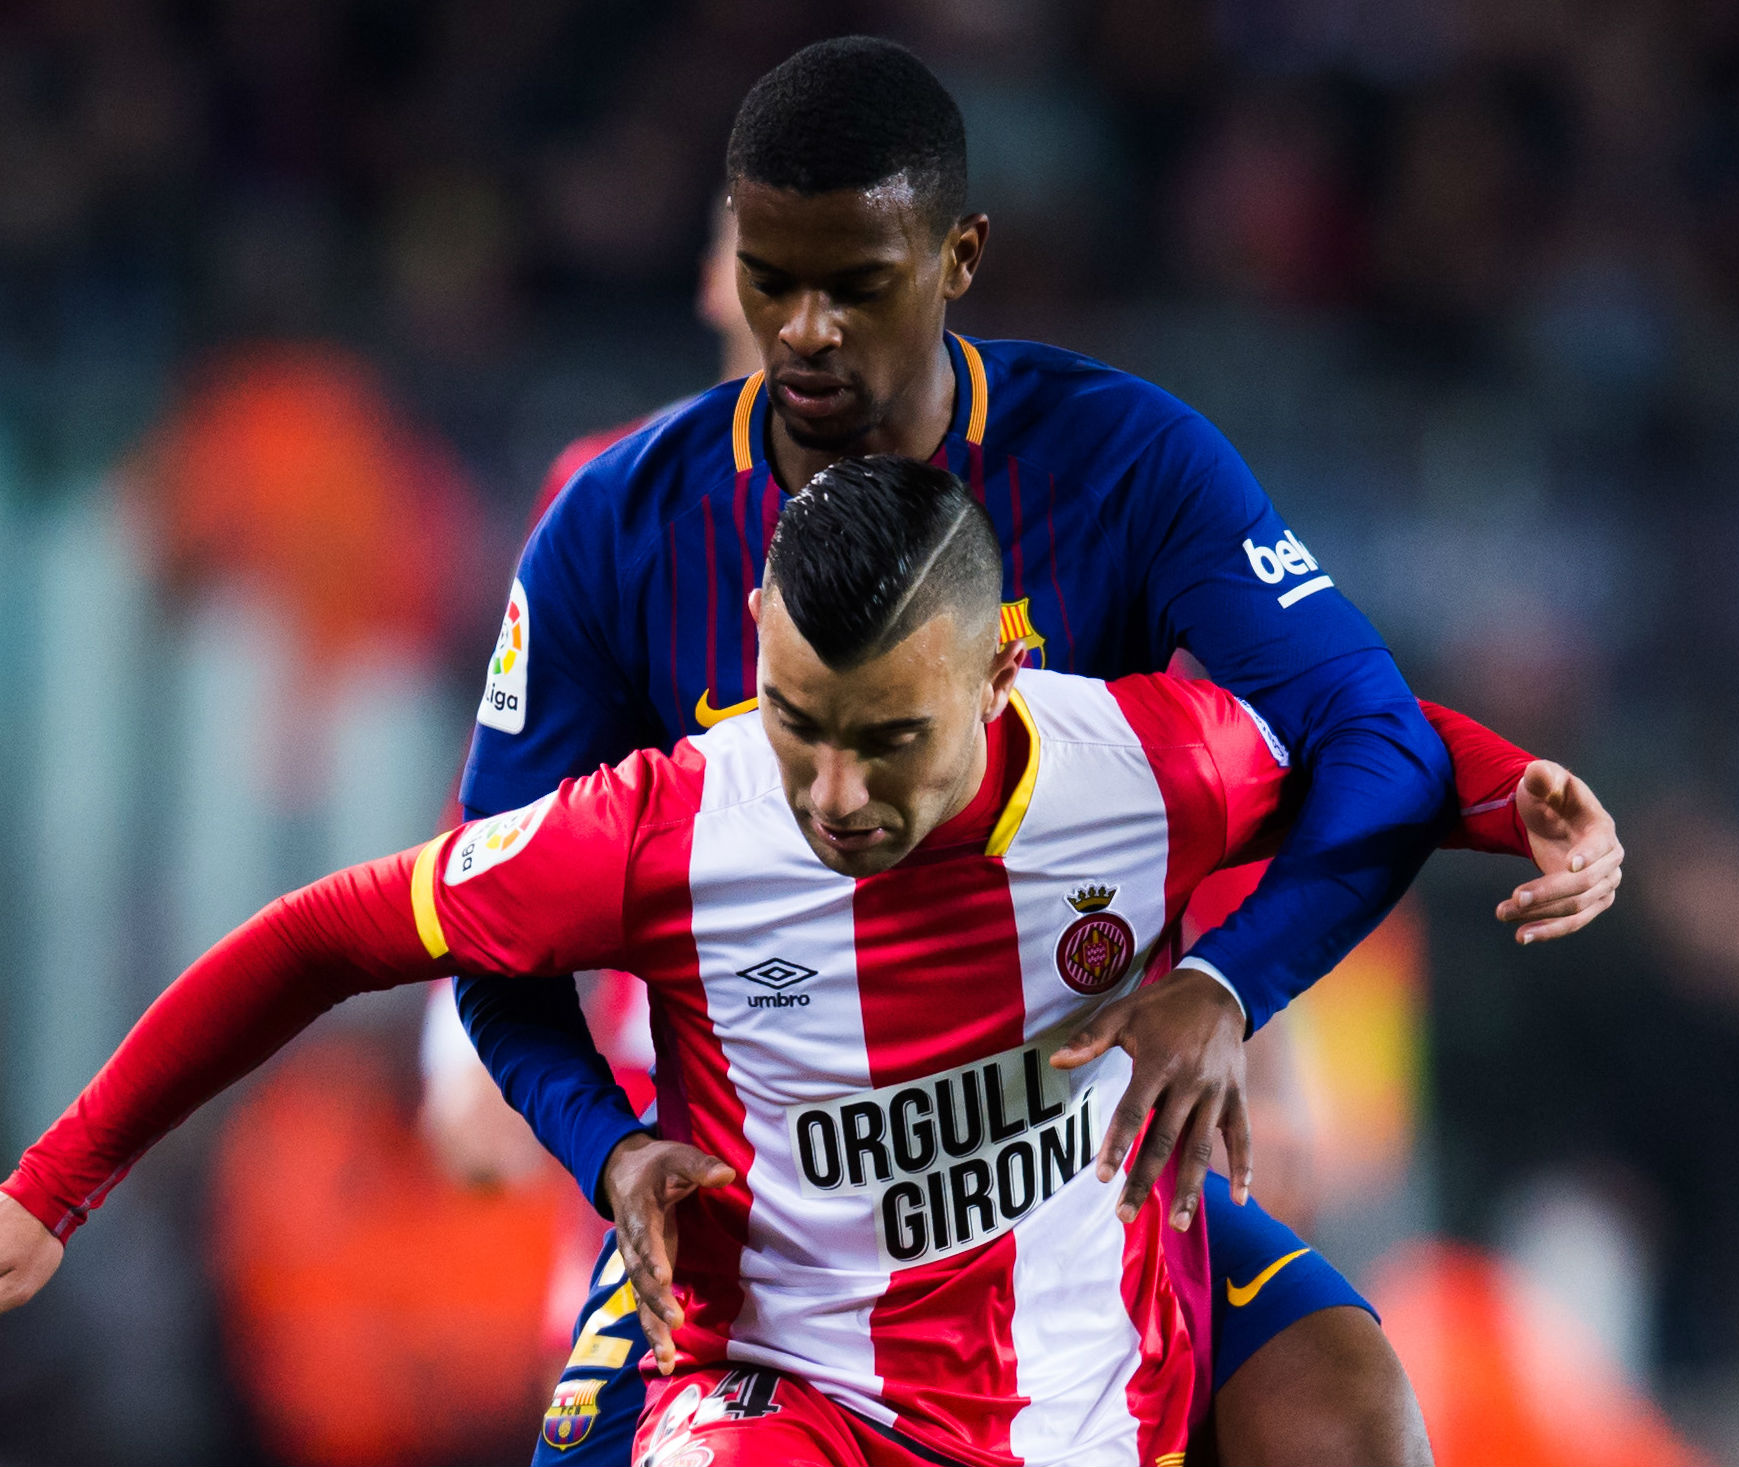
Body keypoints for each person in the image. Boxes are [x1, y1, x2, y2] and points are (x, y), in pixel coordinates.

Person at [451, 36, 1622, 1465]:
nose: (804, 330)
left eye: (855, 284)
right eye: (771, 278)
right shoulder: (613, 525)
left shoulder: (1120, 462)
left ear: (958, 258)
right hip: (780, 1221)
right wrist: (609, 1149)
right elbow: (479, 929)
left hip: (1060, 1167)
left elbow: (1346, 731)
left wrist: (1227, 982)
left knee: (1348, 1414)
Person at [0, 456, 1456, 1465]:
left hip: (1102, 1344)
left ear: (1001, 672)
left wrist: (1528, 811)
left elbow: (1391, 752)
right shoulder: (661, 823)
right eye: (798, 725)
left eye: (888, 738)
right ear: (752, 636)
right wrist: (48, 1190)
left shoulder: (1148, 765)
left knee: (1353, 1412)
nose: (836, 794)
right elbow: (322, 934)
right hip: (791, 1385)